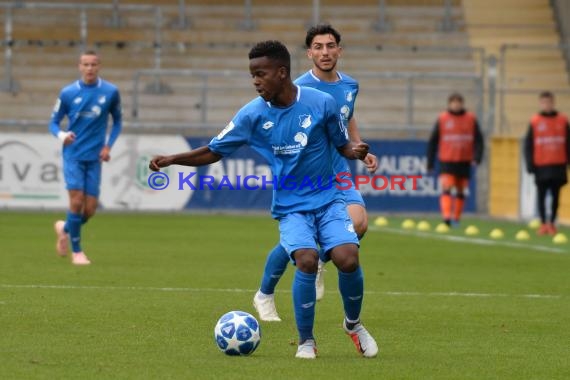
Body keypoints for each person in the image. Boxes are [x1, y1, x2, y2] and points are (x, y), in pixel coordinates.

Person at [149, 40, 378, 359]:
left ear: (281, 73)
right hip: (291, 207)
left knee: (348, 258)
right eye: (252, 75)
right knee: (307, 260)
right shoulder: (252, 115)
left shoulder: (320, 102)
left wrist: (354, 151)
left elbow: (340, 143)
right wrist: (174, 159)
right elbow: (214, 151)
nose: (256, 81)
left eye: (261, 74)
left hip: (328, 199)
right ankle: (306, 341)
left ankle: (353, 325)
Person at [253, 24, 378, 323]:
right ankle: (265, 293)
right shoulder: (295, 88)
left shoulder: (350, 85)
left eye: (330, 46)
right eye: (319, 47)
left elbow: (347, 116)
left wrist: (358, 145)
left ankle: (321, 262)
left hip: (339, 169)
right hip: (306, 175)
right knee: (296, 241)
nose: (325, 52)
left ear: (339, 50)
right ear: (309, 53)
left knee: (358, 224)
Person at [49, 50, 122, 265]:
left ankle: (64, 228)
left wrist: (108, 146)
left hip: (95, 156)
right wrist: (62, 135)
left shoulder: (110, 92)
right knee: (77, 201)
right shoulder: (68, 93)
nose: (89, 68)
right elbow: (53, 123)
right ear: (79, 66)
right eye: (85, 64)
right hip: (73, 155)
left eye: (93, 64)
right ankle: (77, 252)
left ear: (99, 66)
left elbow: (117, 121)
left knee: (89, 210)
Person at [427, 92, 484, 226]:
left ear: (462, 104)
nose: (456, 105)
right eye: (453, 103)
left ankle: (456, 218)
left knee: (460, 190)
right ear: (449, 104)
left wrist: (477, 157)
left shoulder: (470, 118)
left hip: (464, 160)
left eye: (458, 103)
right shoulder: (443, 119)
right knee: (447, 187)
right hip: (447, 160)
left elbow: (479, 140)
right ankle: (446, 217)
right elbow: (433, 141)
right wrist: (430, 162)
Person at [524, 91, 570, 235]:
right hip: (541, 164)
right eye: (544, 102)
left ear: (553, 103)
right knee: (541, 194)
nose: (547, 105)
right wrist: (530, 163)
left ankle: (552, 223)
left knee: (556, 195)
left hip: (558, 163)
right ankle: (543, 223)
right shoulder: (535, 121)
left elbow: (568, 143)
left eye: (549, 102)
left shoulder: (563, 120)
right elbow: (528, 144)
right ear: (540, 104)